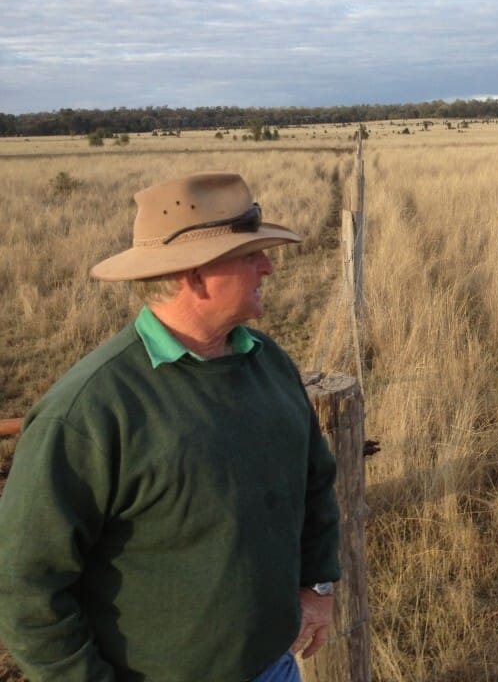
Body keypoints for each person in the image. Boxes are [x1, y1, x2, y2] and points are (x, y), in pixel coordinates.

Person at [0, 172, 341, 682]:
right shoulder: (89, 410)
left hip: (275, 665)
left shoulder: (269, 361)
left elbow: (314, 480)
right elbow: (24, 583)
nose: (267, 266)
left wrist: (317, 587)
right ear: (195, 275)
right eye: (250, 256)